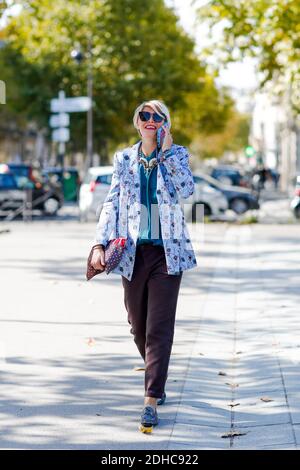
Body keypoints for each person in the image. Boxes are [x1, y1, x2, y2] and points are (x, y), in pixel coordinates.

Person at [90, 100, 197, 433]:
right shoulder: (123, 158)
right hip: (133, 252)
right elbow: (111, 203)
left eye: (157, 116)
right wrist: (98, 243)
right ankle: (157, 376)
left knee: (158, 328)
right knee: (138, 325)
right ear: (137, 122)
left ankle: (150, 399)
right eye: (144, 116)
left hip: (168, 252)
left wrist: (165, 153)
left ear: (165, 122)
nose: (150, 120)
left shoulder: (177, 154)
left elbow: (187, 190)